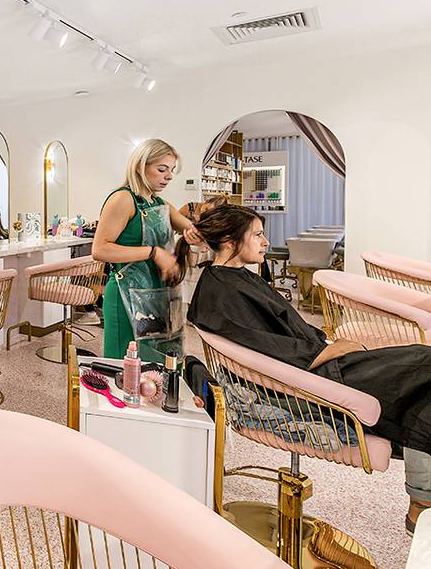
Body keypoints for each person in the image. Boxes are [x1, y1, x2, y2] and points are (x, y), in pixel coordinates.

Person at [183, 203, 431, 535]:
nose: (266, 242)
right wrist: (329, 350)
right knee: (423, 365)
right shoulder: (222, 292)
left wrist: (328, 346)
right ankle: (421, 502)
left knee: (421, 370)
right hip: (308, 380)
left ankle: (421, 501)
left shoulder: (233, 278)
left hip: (320, 364)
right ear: (229, 241)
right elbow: (267, 352)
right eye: (257, 235)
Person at [92, 139, 200, 360]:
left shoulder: (159, 203)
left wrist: (195, 234)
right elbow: (100, 250)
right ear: (140, 166)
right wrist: (154, 253)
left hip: (159, 293)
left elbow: (192, 230)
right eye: (162, 169)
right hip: (126, 293)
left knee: (160, 361)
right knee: (128, 363)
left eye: (171, 170)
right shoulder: (123, 199)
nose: (169, 176)